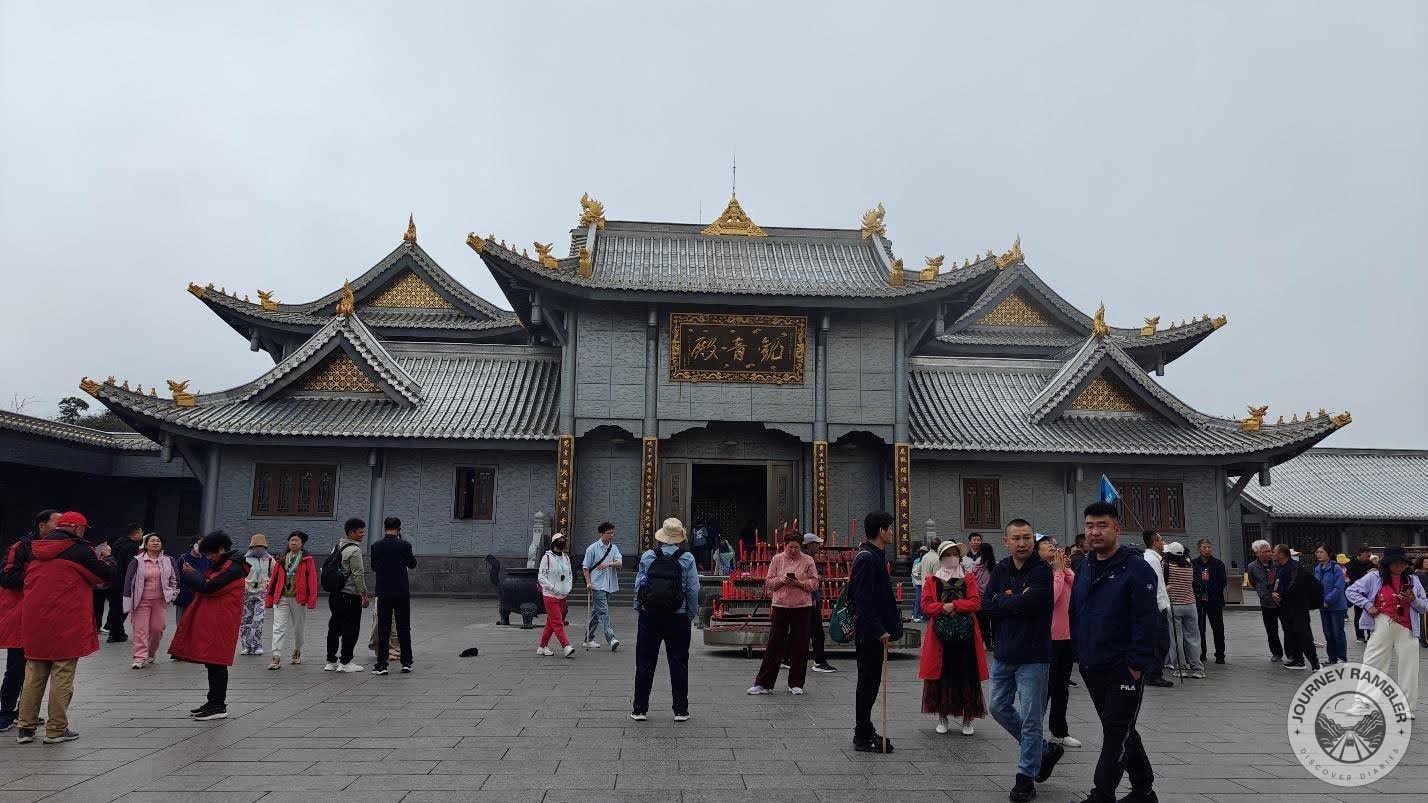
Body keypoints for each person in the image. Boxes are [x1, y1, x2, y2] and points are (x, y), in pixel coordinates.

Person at [1071, 502, 1159, 803]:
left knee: (1116, 731)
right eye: (1090, 526)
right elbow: (1078, 611)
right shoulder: (1084, 566)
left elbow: (1147, 621)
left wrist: (1135, 665)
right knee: (1120, 729)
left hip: (1123, 667)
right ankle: (1144, 789)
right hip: (1092, 664)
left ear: (1117, 529)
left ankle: (1102, 794)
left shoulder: (1136, 569)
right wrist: (1079, 652)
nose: (1095, 532)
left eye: (1102, 525)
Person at [15, 511, 115, 744]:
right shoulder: (80, 550)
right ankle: (56, 729)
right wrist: (109, 558)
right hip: (66, 621)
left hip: (36, 621)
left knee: (34, 673)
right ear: (78, 529)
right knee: (62, 674)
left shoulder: (35, 548)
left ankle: (25, 728)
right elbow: (106, 572)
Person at [982, 519, 1063, 802]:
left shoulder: (1042, 571)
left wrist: (1006, 601)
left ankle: (1025, 778)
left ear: (1033, 540)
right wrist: (1014, 600)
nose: (1022, 543)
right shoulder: (1001, 569)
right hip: (1004, 654)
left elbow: (1034, 604)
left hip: (1034, 656)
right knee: (997, 707)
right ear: (1006, 541)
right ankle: (1044, 749)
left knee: (1031, 719)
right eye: (1016, 538)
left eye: (1027, 537)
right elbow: (986, 605)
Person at [169, 531, 247, 721]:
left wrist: (192, 574)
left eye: (210, 554)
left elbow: (209, 586)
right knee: (212, 662)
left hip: (222, 620)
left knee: (217, 663)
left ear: (220, 549)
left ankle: (219, 705)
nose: (209, 558)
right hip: (218, 618)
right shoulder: (226, 563)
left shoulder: (232, 567)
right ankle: (212, 701)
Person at [630, 518, 699, 722]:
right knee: (678, 662)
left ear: (662, 536)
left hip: (649, 615)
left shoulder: (649, 556)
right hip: (678, 616)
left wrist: (639, 606)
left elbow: (640, 583)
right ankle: (680, 710)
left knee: (644, 662)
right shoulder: (687, 558)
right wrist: (690, 613)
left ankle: (639, 709)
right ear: (679, 538)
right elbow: (693, 589)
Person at [1345, 546, 1427, 717]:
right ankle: (1363, 702)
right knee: (1373, 662)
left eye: (1402, 563)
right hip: (1382, 621)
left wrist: (1413, 600)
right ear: (1387, 564)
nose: (1399, 567)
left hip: (1408, 626)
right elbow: (1351, 591)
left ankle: (1406, 707)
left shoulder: (1413, 579)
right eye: (1395, 563)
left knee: (1409, 667)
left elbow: (1424, 605)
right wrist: (1368, 605)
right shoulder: (1374, 577)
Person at [918, 541, 987, 736]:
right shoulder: (932, 581)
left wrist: (954, 605)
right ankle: (943, 716)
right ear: (940, 558)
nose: (951, 558)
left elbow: (975, 602)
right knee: (942, 676)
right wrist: (942, 608)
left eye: (954, 554)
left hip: (966, 638)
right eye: (947, 554)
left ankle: (968, 718)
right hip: (941, 638)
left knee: (967, 675)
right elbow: (926, 606)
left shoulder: (969, 578)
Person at [849, 511, 902, 753]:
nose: (892, 532)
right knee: (867, 682)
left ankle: (866, 728)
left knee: (871, 681)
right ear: (881, 531)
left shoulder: (875, 556)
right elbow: (863, 600)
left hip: (874, 631)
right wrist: (878, 629)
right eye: (890, 528)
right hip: (870, 633)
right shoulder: (867, 558)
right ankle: (861, 735)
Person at [0, 510, 57, 733]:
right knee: (16, 668)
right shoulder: (20, 548)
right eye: (57, 523)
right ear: (42, 526)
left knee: (37, 670)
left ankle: (26, 713)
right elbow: (6, 577)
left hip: (45, 617)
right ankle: (6, 712)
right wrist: (38, 576)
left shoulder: (62, 549)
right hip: (21, 616)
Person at [748, 531, 819, 695]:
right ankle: (763, 683)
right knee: (774, 644)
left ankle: (796, 683)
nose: (793, 550)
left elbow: (814, 583)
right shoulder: (777, 559)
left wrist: (800, 583)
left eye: (796, 547)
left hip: (802, 606)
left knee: (800, 644)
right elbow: (769, 582)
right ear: (784, 545)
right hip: (780, 605)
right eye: (790, 547)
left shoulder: (808, 560)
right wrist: (782, 580)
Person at [1039, 534, 1081, 745]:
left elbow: (1078, 589)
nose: (1054, 548)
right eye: (1048, 545)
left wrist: (1065, 568)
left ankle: (1060, 731)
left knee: (1061, 687)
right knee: (1045, 687)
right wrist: (1057, 571)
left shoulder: (1059, 571)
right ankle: (1033, 730)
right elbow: (1051, 598)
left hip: (1067, 636)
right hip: (1049, 638)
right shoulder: (1040, 572)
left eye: (1055, 545)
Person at [122, 533, 178, 669]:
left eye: (158, 540)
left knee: (157, 629)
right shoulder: (137, 561)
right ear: (146, 545)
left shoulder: (168, 560)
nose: (155, 543)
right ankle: (139, 657)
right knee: (141, 630)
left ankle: (151, 653)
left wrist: (173, 593)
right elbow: (128, 582)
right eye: (152, 541)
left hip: (160, 601)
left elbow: (175, 579)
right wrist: (127, 601)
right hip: (141, 601)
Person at [370, 517, 417, 675]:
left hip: (383, 591)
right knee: (404, 626)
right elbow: (412, 563)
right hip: (401, 591)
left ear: (385, 528)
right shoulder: (404, 545)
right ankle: (407, 662)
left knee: (384, 627)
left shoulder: (376, 546)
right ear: (399, 528)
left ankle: (382, 664)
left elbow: (374, 567)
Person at [265, 531, 317, 669]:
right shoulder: (282, 559)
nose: (293, 543)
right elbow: (274, 579)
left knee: (298, 628)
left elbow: (312, 580)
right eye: (291, 540)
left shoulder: (307, 559)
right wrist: (269, 597)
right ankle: (276, 656)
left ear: (302, 544)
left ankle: (297, 650)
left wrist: (312, 599)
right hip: (281, 597)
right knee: (278, 627)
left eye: (296, 540)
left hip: (299, 598)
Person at [324, 518, 369, 673]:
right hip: (350, 595)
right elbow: (358, 574)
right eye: (360, 531)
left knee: (334, 627)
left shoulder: (337, 546)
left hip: (335, 594)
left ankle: (330, 661)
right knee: (351, 628)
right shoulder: (355, 550)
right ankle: (346, 661)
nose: (363, 534)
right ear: (351, 532)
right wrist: (363, 594)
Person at [1271, 544, 1319, 671]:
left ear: (1282, 554)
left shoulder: (1295, 567)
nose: (1272, 553)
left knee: (1303, 634)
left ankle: (1315, 662)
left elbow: (1295, 585)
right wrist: (1273, 592)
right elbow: (1276, 582)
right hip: (1285, 607)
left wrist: (1281, 595)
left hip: (1298, 607)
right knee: (1290, 634)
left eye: (1274, 551)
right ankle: (1298, 660)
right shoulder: (1279, 567)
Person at [1162, 542, 1204, 679]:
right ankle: (1197, 667)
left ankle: (1181, 667)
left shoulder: (1167, 567)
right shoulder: (1190, 566)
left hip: (1174, 605)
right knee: (1193, 637)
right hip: (1191, 604)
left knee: (1176, 638)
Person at [1139, 531, 1174, 688]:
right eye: (1161, 540)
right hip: (1156, 607)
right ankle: (1153, 674)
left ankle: (1153, 672)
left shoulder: (1154, 559)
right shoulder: (1152, 560)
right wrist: (1162, 605)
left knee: (1161, 641)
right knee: (1160, 642)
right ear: (1154, 543)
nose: (1164, 542)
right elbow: (1155, 585)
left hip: (1158, 604)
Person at [581, 521, 622, 651]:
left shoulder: (613, 548)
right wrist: (588, 582)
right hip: (597, 584)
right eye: (609, 533)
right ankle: (611, 638)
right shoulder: (592, 548)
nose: (611, 535)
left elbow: (619, 562)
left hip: (608, 584)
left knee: (597, 612)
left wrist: (608, 564)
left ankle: (588, 639)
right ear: (601, 533)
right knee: (603, 611)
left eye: (612, 533)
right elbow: (585, 567)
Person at [101, 523, 143, 642]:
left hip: (112, 580)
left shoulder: (118, 543)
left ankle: (118, 631)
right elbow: (130, 565)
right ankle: (115, 633)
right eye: (140, 532)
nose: (141, 535)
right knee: (122, 608)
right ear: (135, 534)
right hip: (123, 582)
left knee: (115, 607)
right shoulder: (132, 547)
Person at [1245, 539, 1286, 662]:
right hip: (1266, 602)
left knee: (1288, 628)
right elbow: (1252, 582)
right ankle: (1277, 653)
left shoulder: (1278, 563)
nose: (1269, 554)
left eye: (1270, 551)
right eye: (1265, 551)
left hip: (1281, 600)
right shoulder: (1252, 567)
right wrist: (1262, 592)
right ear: (1257, 553)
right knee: (1271, 630)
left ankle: (1291, 652)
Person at [536, 533, 575, 658]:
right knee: (558, 622)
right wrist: (553, 588)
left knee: (551, 622)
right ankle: (566, 646)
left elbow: (569, 574)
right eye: (560, 539)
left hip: (563, 595)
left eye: (564, 539)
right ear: (554, 543)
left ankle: (542, 646)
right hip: (550, 595)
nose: (563, 541)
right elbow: (541, 577)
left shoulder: (566, 558)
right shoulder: (547, 558)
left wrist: (568, 588)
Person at [803, 533, 836, 673]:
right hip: (808, 601)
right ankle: (819, 661)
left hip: (807, 600)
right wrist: (814, 598)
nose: (818, 546)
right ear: (810, 544)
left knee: (801, 631)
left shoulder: (807, 558)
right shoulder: (806, 559)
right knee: (817, 632)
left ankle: (786, 658)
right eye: (816, 543)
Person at [237, 534, 274, 656]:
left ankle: (257, 644)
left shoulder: (269, 560)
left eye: (261, 546)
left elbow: (275, 574)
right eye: (256, 546)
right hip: (246, 593)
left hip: (262, 593)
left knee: (259, 619)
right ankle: (246, 645)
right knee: (245, 620)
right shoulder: (244, 560)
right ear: (251, 546)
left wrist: (268, 583)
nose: (259, 548)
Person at [1192, 539, 1227, 665]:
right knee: (1199, 629)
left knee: (1218, 628)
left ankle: (1220, 654)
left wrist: (1210, 590)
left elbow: (1222, 581)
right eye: (1204, 547)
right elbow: (1192, 580)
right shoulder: (1194, 563)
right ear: (1199, 549)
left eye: (1209, 547)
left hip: (1214, 600)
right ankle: (1201, 653)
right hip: (1199, 600)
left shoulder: (1218, 564)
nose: (1207, 549)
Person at [1313, 544, 1349, 665]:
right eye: (1317, 552)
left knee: (1337, 632)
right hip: (1323, 606)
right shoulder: (1317, 568)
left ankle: (1342, 657)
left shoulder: (1336, 568)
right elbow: (1315, 586)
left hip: (1337, 606)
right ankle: (1332, 658)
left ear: (1328, 554)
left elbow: (1339, 588)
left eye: (1321, 552)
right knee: (1328, 632)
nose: (1318, 554)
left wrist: (1327, 600)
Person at [966, 533, 996, 651]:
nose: (977, 542)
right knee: (977, 619)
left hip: (984, 593)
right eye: (974, 540)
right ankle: (979, 641)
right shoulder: (966, 558)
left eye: (979, 540)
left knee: (984, 618)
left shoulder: (985, 558)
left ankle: (987, 642)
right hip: (973, 592)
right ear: (970, 542)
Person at [172, 536, 209, 629]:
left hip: (200, 597)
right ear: (192, 545)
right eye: (199, 544)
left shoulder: (207, 560)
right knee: (182, 625)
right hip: (184, 597)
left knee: (196, 626)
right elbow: (175, 577)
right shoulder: (182, 559)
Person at [1345, 546, 1375, 642]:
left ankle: (1371, 634)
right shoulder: (1350, 564)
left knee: (1372, 613)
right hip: (1358, 592)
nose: (1368, 558)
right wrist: (1367, 573)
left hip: (1370, 592)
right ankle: (1360, 636)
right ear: (1360, 554)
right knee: (1358, 614)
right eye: (1367, 556)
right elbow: (1353, 578)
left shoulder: (1369, 563)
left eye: (1369, 556)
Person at [912, 539, 939, 623]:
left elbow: (916, 570)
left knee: (923, 601)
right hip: (932, 585)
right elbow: (936, 575)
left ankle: (924, 616)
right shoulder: (937, 558)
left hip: (924, 584)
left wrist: (920, 578)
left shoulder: (925, 557)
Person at [1417, 557, 1428, 648]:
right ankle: (1424, 639)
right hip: (1423, 598)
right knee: (1424, 620)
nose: (1427, 563)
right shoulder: (1417, 574)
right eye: (1425, 562)